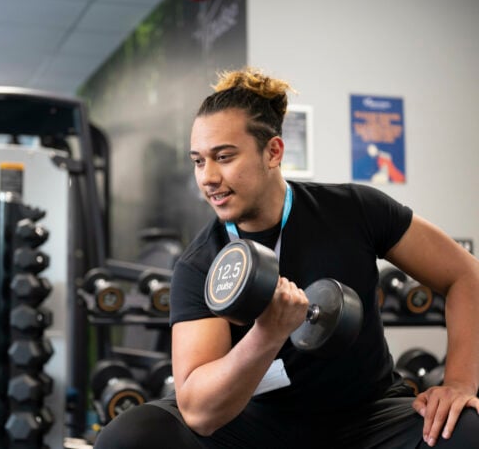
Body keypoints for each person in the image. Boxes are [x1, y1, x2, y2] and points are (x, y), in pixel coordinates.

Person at [93, 68, 479, 448]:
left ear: (273, 151)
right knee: (129, 437)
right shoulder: (200, 264)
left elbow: (465, 275)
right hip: (254, 425)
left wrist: (459, 382)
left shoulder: (354, 210)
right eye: (198, 161)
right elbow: (199, 411)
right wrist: (267, 333)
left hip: (370, 416)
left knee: (466, 429)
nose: (207, 177)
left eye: (223, 156)